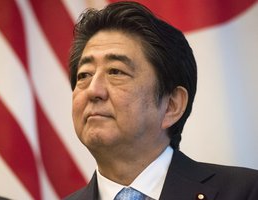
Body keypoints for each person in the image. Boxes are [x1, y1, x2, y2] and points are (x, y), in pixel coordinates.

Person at [66, 1, 258, 200]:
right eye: (84, 75)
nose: (93, 90)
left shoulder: (246, 191)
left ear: (172, 106)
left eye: (116, 72)